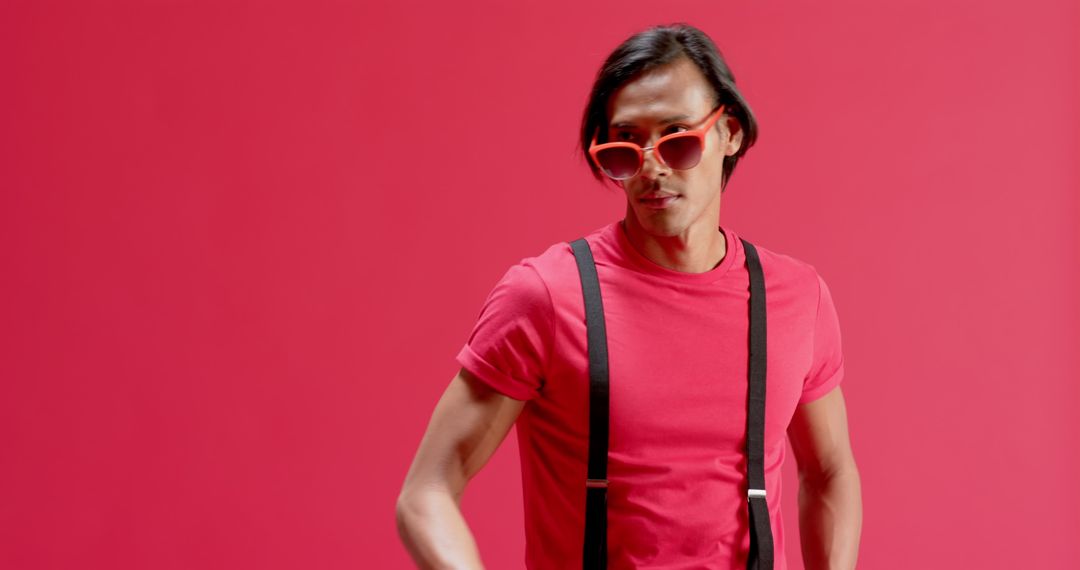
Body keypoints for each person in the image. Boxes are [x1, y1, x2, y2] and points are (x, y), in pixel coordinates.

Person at [396, 22, 862, 570]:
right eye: (625, 147)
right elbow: (425, 493)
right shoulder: (547, 296)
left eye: (677, 138)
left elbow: (830, 472)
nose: (651, 166)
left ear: (729, 132)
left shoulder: (795, 297)